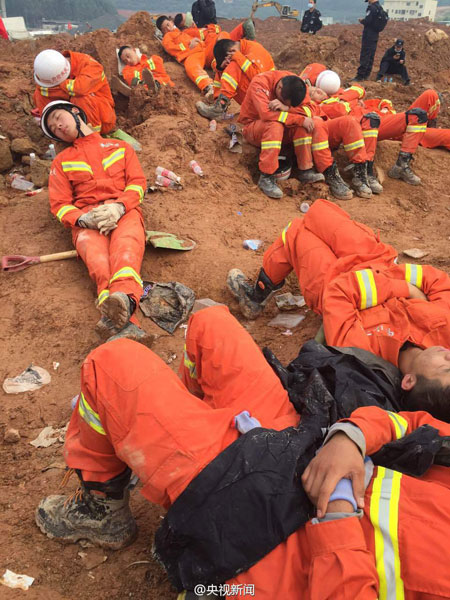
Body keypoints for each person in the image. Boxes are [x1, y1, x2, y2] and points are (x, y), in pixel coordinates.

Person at [34, 302, 450, 598]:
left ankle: (102, 512)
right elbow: (418, 426)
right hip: (306, 449)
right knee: (210, 325)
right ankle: (181, 440)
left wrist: (338, 511)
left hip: (268, 538)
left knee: (112, 364)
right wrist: (352, 437)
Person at [227, 197, 450, 408]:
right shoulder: (446, 332)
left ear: (409, 381)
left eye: (446, 369)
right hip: (376, 262)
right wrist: (394, 281)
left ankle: (254, 297)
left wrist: (406, 289)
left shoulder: (362, 355)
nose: (448, 356)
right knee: (319, 211)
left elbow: (337, 294)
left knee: (295, 231)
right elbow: (439, 281)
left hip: (332, 280)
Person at [40, 100, 150, 343]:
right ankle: (127, 324)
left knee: (126, 253)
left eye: (58, 118)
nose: (58, 126)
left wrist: (119, 207)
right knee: (100, 265)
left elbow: (138, 184)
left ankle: (118, 322)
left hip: (123, 212)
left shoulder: (121, 147)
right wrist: (83, 219)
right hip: (87, 221)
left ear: (75, 112)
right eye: (53, 128)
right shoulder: (61, 161)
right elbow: (59, 205)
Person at [239, 71, 374, 200]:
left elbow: (311, 109)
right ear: (279, 88)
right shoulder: (260, 83)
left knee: (307, 124)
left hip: (290, 127)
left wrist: (289, 109)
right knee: (277, 124)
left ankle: (306, 170)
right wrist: (298, 118)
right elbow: (266, 115)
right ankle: (267, 176)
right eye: (285, 102)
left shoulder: (297, 84)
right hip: (255, 127)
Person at [310, 83, 428, 187]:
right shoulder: (321, 106)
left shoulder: (340, 94)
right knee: (370, 120)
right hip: (359, 128)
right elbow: (340, 110)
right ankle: (367, 171)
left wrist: (385, 109)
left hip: (380, 122)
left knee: (418, 115)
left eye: (317, 88)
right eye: (313, 92)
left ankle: (402, 166)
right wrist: (353, 100)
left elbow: (361, 89)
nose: (318, 91)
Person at [33, 49, 140, 150]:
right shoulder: (41, 93)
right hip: (71, 134)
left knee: (81, 99)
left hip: (104, 120)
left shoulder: (87, 64)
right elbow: (50, 121)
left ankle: (94, 138)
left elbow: (80, 88)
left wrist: (57, 88)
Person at [196, 37, 275, 120]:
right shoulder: (240, 51)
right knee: (221, 69)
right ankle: (218, 106)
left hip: (267, 102)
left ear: (232, 50)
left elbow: (260, 79)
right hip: (257, 99)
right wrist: (220, 68)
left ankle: (218, 110)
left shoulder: (254, 49)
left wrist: (238, 57)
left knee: (233, 66)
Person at [352, 0, 388, 82]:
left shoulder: (372, 8)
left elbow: (368, 21)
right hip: (375, 35)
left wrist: (362, 21)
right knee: (371, 55)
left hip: (369, 34)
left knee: (365, 54)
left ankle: (360, 76)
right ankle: (367, 75)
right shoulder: (380, 8)